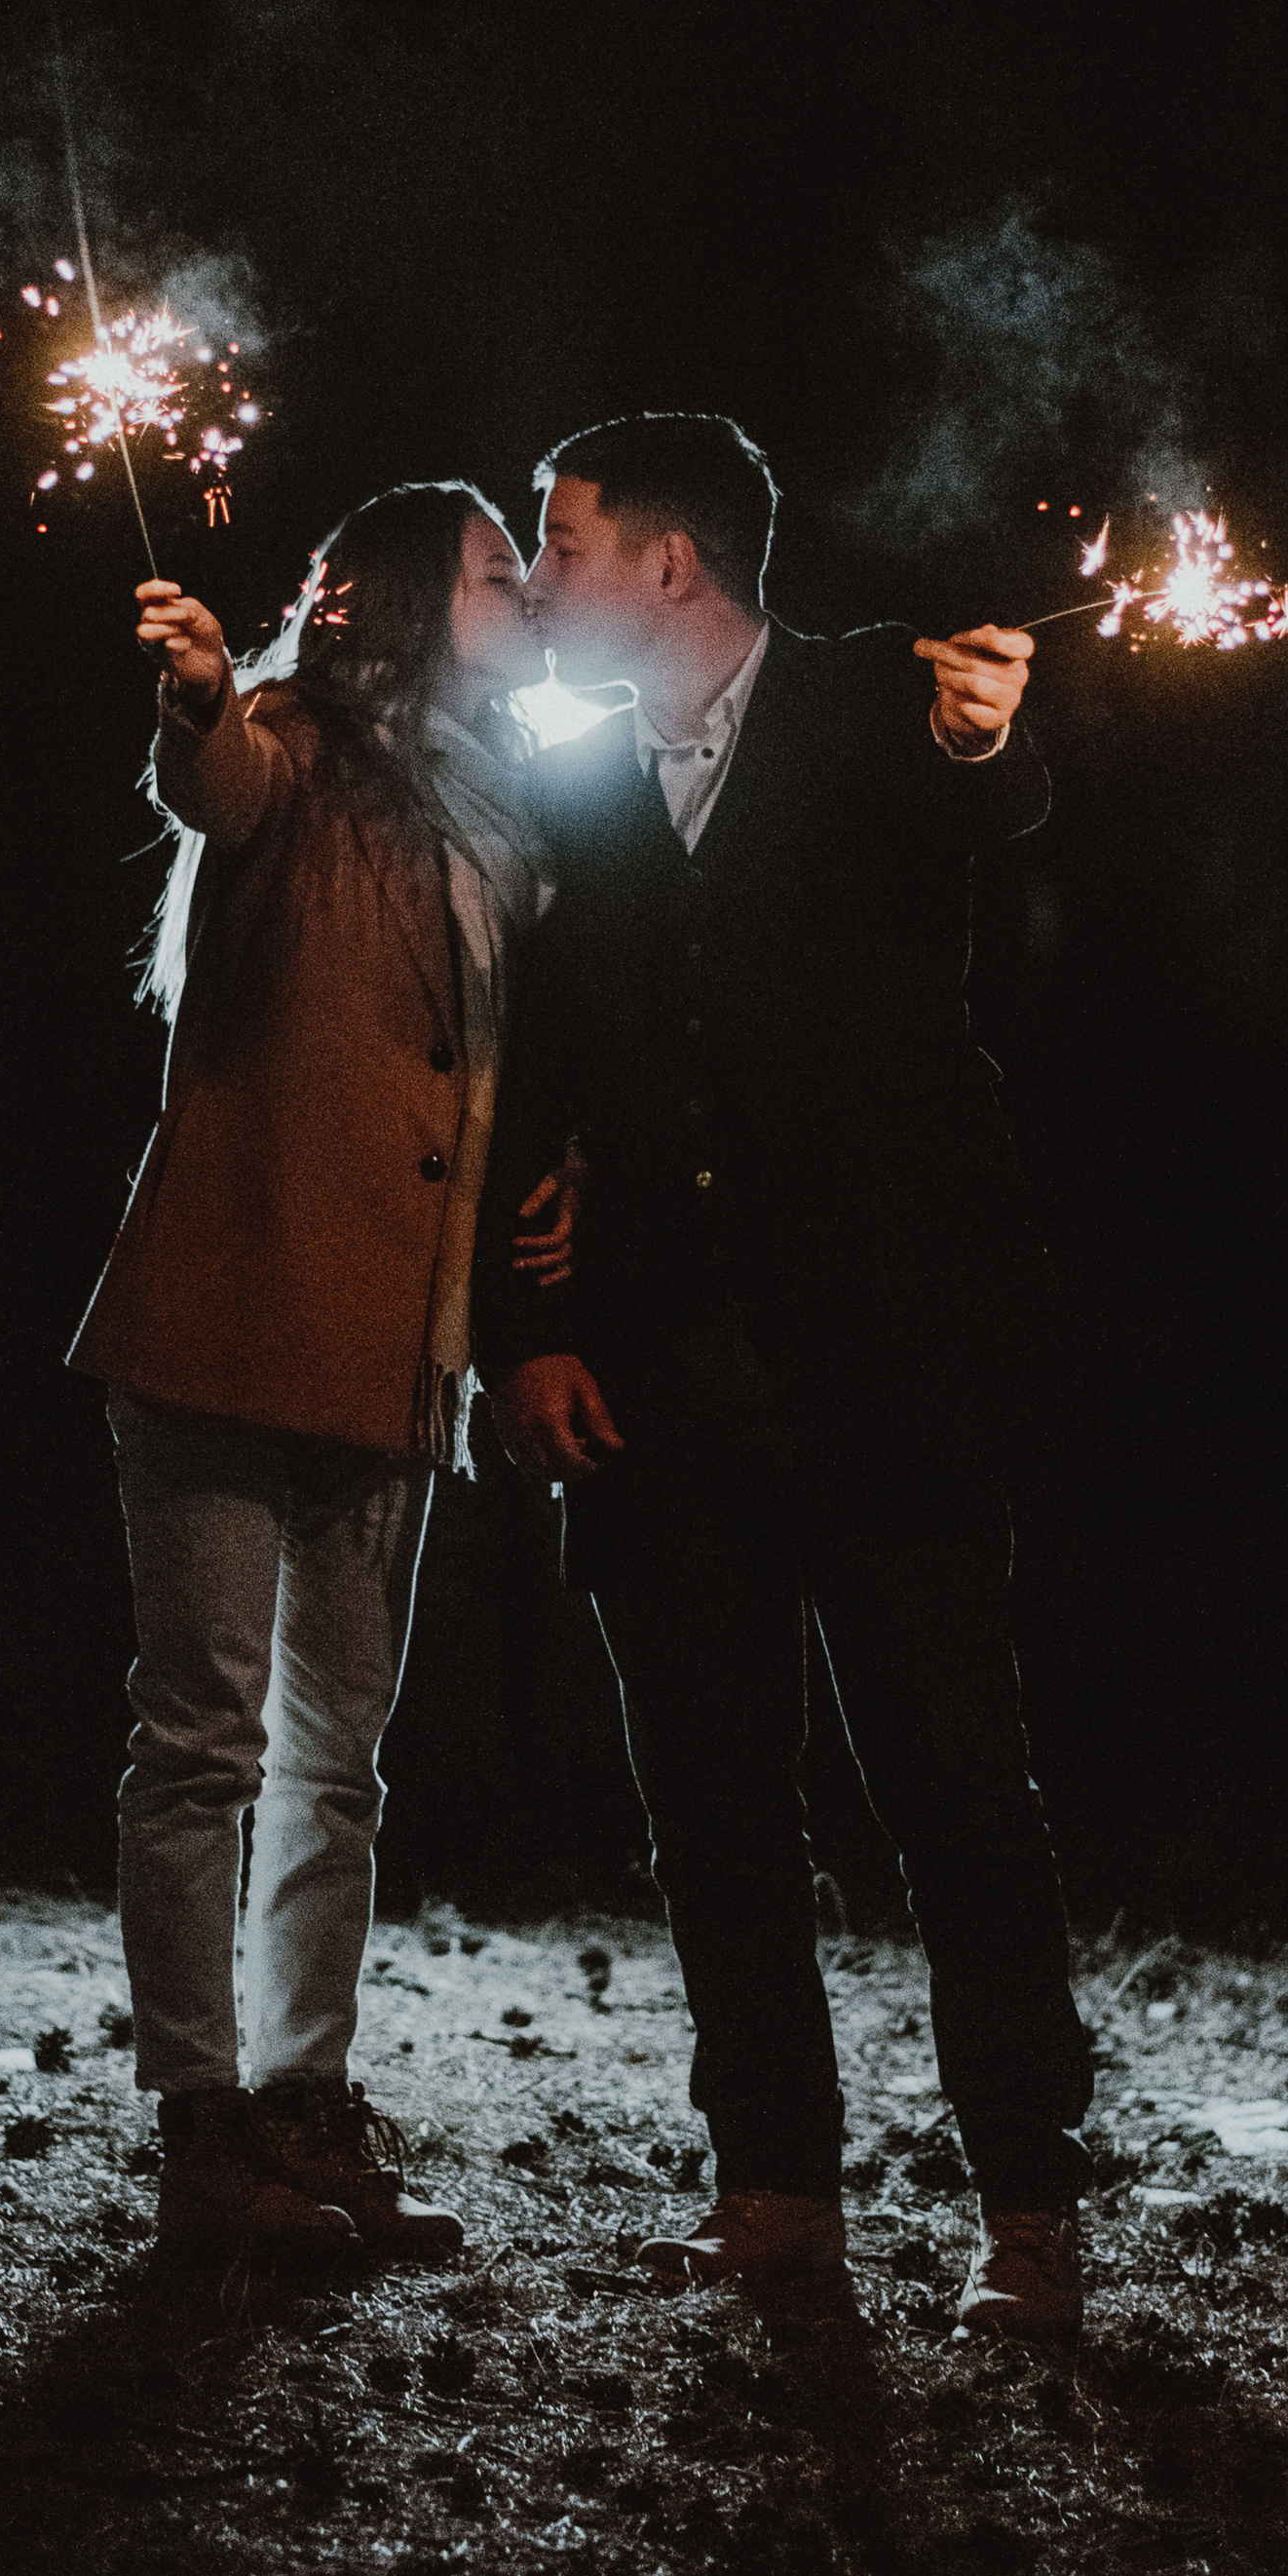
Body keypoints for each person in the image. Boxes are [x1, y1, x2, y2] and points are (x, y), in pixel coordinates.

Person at [474, 411, 1094, 2346]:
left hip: (887, 1368)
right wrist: (530, 1332)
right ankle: (773, 2195)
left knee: (953, 1792)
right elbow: (537, 1077)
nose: (540, 576)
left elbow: (975, 800)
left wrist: (983, 741)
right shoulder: (578, 783)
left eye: (562, 541)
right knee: (713, 1809)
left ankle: (1027, 2206)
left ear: (669, 563)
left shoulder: (872, 706)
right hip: (653, 1389)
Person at [72, 481, 563, 2265]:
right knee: (201, 1738)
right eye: (499, 572)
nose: (529, 595)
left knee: (336, 1759)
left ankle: (303, 2101)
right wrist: (198, 690)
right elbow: (219, 781)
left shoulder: (507, 806)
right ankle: (202, 2129)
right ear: (416, 597)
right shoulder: (285, 738)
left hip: (392, 1354)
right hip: (228, 1320)